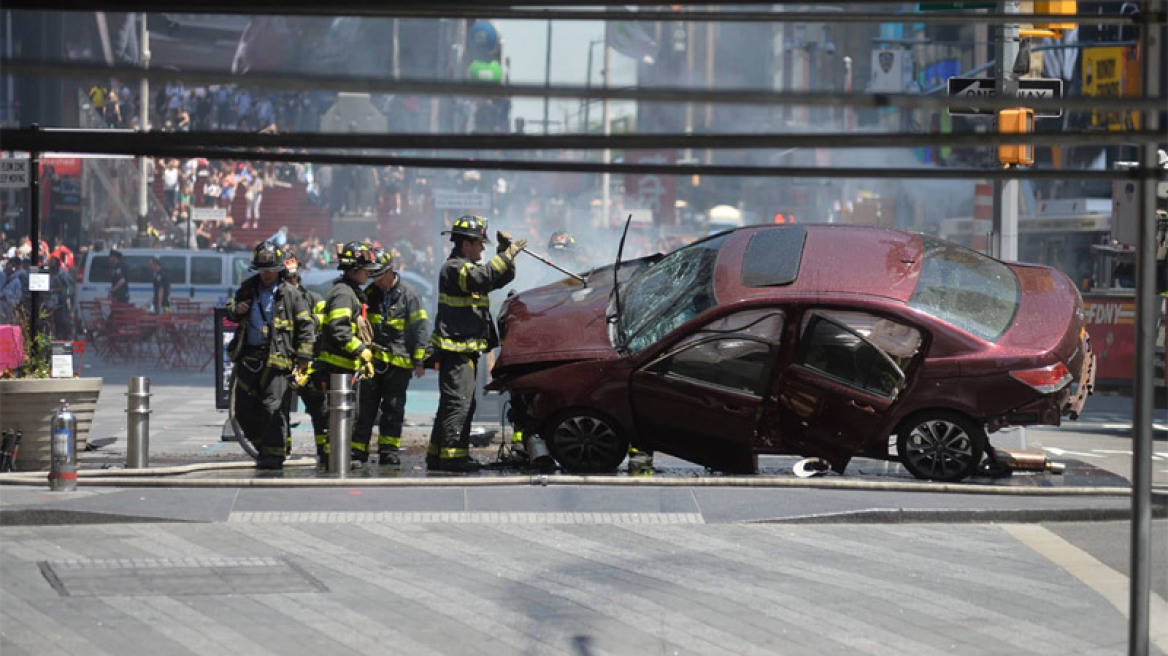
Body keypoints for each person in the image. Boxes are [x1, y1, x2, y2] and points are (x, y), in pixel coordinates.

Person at [427, 215, 525, 472]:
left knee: (454, 403)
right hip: (456, 349)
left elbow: (499, 278)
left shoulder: (467, 269)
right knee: (459, 403)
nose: (483, 248)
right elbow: (482, 278)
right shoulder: (455, 268)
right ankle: (452, 458)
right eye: (480, 243)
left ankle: (438, 456)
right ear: (466, 244)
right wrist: (505, 255)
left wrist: (506, 254)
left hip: (465, 349)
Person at [225, 241, 315, 470]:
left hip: (278, 359)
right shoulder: (247, 289)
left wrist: (304, 359)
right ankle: (265, 447)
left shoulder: (291, 295)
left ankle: (274, 457)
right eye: (261, 270)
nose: (265, 275)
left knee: (272, 408)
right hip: (249, 358)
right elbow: (230, 309)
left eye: (270, 270)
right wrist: (237, 310)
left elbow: (306, 326)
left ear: (278, 270)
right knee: (242, 409)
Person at [300, 241, 378, 466]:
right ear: (354, 269)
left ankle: (334, 458)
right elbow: (338, 328)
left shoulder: (350, 292)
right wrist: (360, 349)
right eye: (365, 269)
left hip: (342, 369)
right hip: (334, 370)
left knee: (339, 417)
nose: (368, 274)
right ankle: (333, 460)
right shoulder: (344, 293)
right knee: (335, 417)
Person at [351, 247, 429, 466]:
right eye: (373, 276)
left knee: (393, 409)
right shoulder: (370, 294)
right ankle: (358, 451)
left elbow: (420, 328)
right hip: (373, 363)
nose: (376, 281)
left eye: (379, 275)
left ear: (391, 270)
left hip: (399, 364)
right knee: (365, 408)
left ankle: (389, 451)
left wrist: (419, 360)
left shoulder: (409, 295)